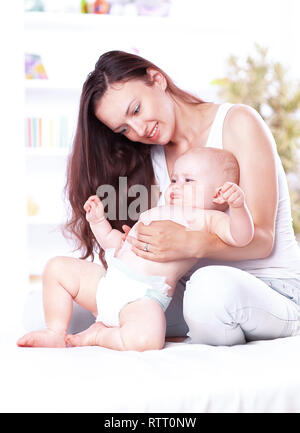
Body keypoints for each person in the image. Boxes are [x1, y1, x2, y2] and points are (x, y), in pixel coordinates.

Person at [18, 50, 300, 348]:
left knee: (208, 293)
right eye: (124, 129)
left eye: (136, 109)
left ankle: (186, 329)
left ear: (157, 79)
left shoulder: (236, 123)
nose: (138, 130)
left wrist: (186, 242)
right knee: (40, 310)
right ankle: (157, 327)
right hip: (183, 289)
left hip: (267, 286)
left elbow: (262, 239)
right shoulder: (150, 155)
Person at [17, 147, 253, 350]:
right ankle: (55, 332)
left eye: (188, 181)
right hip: (107, 282)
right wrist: (99, 223)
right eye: (173, 179)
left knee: (145, 340)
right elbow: (117, 244)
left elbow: (241, 237)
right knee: (56, 268)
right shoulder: (156, 210)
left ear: (219, 193)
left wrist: (239, 206)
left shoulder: (207, 219)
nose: (175, 186)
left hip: (141, 299)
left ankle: (100, 335)